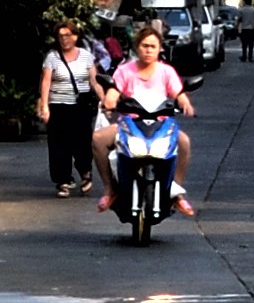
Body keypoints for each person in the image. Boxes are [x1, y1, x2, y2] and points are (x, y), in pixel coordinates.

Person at [99, 21, 193, 214]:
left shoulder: (166, 71)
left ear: (160, 49)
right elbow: (114, 91)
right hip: (129, 123)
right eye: (145, 46)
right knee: (97, 140)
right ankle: (110, 188)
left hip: (161, 124)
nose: (148, 50)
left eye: (153, 46)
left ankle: (176, 191)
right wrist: (109, 102)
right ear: (137, 47)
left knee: (184, 142)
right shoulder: (125, 70)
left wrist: (185, 103)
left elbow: (178, 92)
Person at [36, 20, 97, 198]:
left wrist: (104, 98)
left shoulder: (86, 56)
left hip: (81, 106)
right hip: (58, 105)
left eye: (68, 35)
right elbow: (46, 81)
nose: (64, 39)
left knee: (82, 142)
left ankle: (85, 172)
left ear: (76, 36)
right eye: (61, 36)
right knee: (58, 144)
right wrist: (45, 106)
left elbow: (93, 79)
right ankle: (63, 180)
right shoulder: (52, 57)